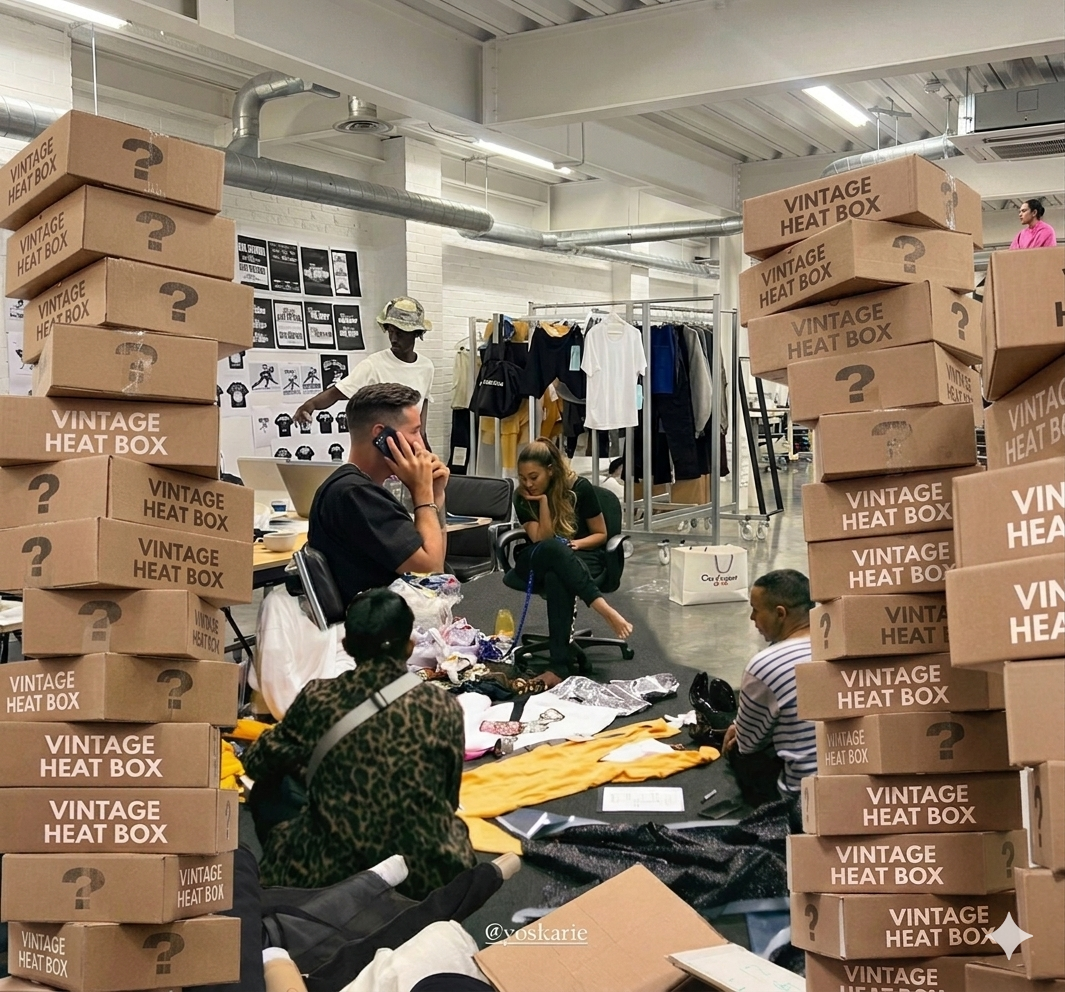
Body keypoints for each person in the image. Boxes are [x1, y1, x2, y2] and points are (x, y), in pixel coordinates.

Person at [242, 588, 476, 899]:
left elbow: (257, 763)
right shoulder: (442, 706)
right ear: (409, 646)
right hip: (425, 870)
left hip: (332, 870)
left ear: (347, 646)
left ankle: (291, 887)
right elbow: (447, 797)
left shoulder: (319, 698)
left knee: (270, 786)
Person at [307, 382, 448, 607]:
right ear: (382, 436)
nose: (422, 444)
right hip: (384, 623)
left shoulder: (357, 488)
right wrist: (422, 494)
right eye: (415, 431)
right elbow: (431, 573)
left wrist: (435, 496)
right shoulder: (356, 495)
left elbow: (437, 564)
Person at [511, 439, 633, 669]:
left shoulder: (579, 488)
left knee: (557, 576)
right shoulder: (522, 497)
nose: (528, 484)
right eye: (523, 477)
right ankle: (604, 609)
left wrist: (577, 543)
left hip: (580, 554)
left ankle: (559, 665)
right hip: (538, 556)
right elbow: (542, 539)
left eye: (534, 477)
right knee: (555, 549)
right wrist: (543, 502)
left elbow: (601, 534)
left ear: (550, 470)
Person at [722, 569, 816, 807]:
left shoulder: (766, 665)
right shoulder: (841, 644)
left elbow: (748, 745)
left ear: (780, 613)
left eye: (756, 610)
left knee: (738, 749)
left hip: (800, 799)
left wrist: (739, 729)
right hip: (858, 785)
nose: (752, 618)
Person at [296, 297, 435, 445]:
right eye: (391, 332)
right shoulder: (374, 364)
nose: (394, 338)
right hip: (380, 448)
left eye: (400, 333)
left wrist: (425, 448)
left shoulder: (426, 367)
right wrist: (310, 405)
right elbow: (336, 392)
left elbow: (422, 415)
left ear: (415, 333)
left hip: (411, 448)